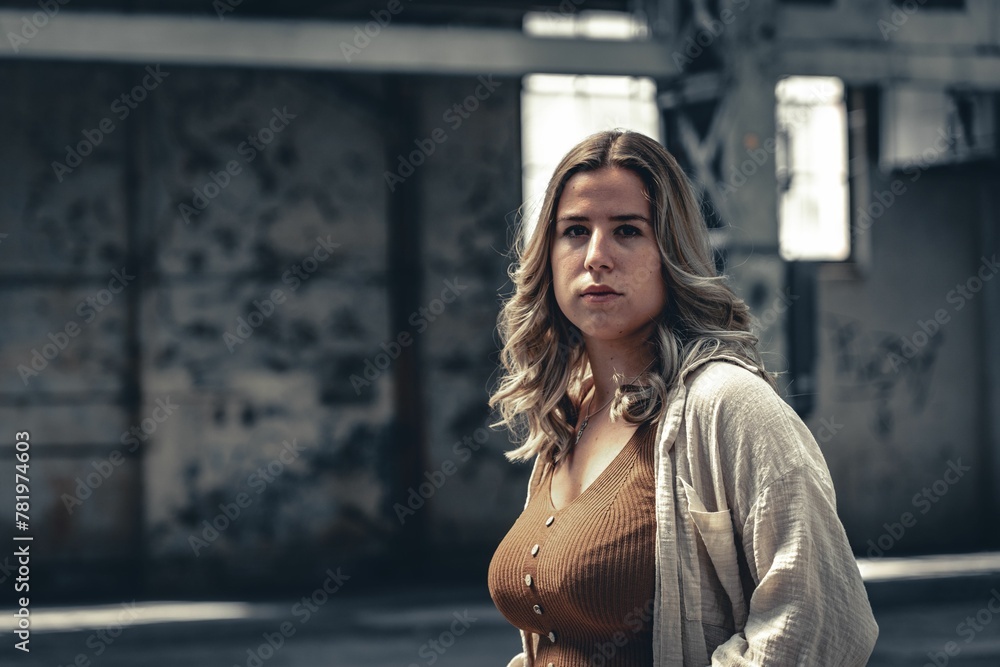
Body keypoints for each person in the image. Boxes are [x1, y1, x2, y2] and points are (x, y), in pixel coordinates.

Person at [486, 129, 878, 666]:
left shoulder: (728, 404)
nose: (596, 257)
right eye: (574, 230)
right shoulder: (570, 415)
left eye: (627, 230)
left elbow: (823, 620)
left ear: (671, 250)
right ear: (547, 256)